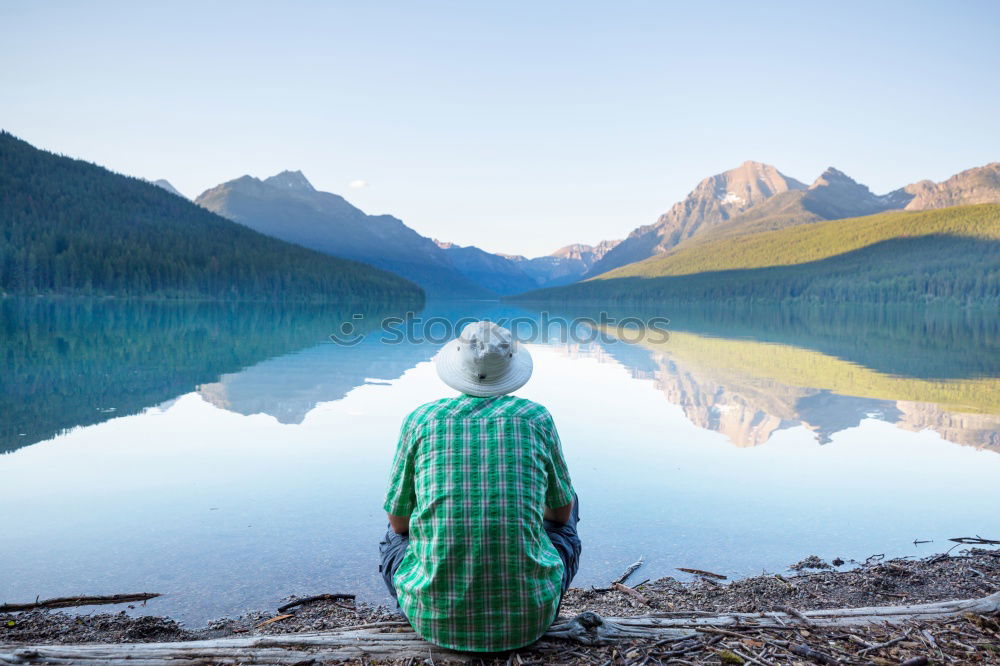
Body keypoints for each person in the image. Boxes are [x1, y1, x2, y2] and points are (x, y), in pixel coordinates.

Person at [378, 320, 581, 652]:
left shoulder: (422, 420)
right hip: (530, 619)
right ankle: (523, 581)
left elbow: (398, 523)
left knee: (396, 522)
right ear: (510, 368)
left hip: (431, 619)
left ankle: (432, 591)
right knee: (568, 499)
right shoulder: (536, 418)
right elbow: (560, 516)